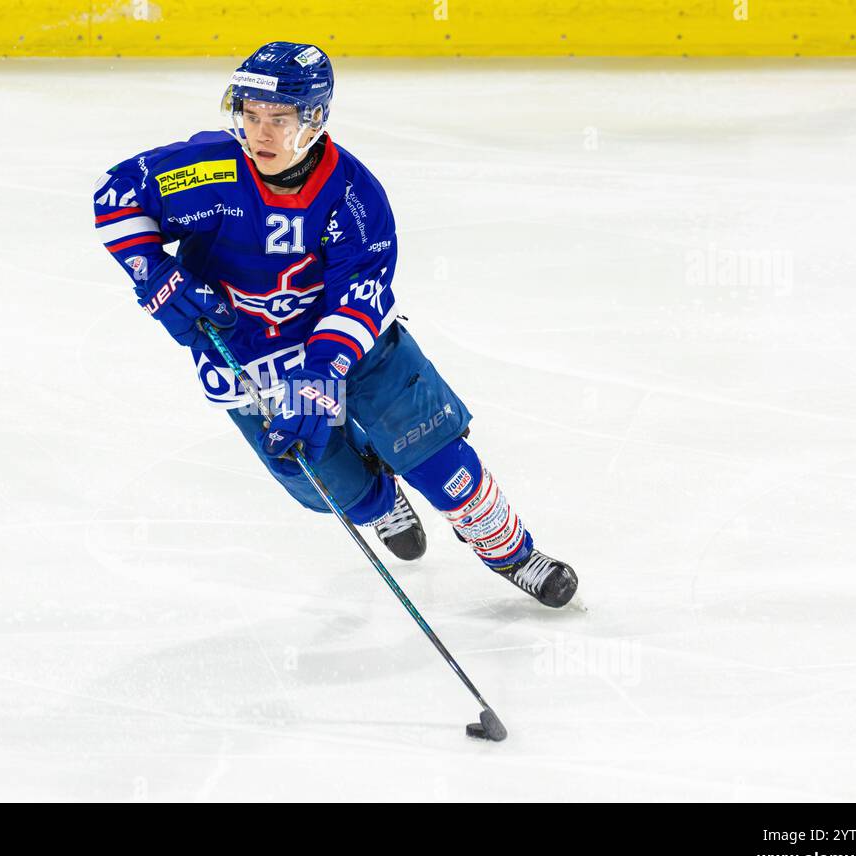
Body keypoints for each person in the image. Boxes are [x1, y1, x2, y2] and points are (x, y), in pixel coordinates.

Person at [93, 41, 578, 608]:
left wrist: (320, 378)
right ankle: (378, 501)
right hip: (250, 355)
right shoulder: (205, 169)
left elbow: (357, 300)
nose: (261, 134)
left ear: (315, 119)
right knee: (327, 486)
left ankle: (512, 552)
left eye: (280, 119)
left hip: (352, 347)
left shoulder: (353, 197)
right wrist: (155, 276)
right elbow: (118, 196)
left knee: (435, 452)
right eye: (250, 116)